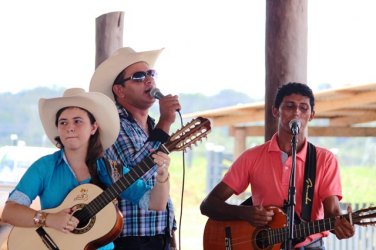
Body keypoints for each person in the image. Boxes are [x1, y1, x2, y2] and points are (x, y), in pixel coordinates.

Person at [1, 88, 172, 250]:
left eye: (78, 121)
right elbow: (9, 212)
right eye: (63, 122)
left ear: (93, 127)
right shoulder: (44, 167)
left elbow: (155, 203)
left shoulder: (109, 169)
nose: (70, 127)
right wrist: (50, 219)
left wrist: (162, 177)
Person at [200, 82, 355, 249]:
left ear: (311, 115)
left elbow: (332, 213)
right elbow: (208, 205)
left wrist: (342, 226)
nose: (297, 112)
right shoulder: (252, 157)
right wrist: (244, 213)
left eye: (303, 108)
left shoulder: (325, 160)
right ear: (275, 111)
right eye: (289, 106)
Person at [89, 47, 181, 250]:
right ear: (119, 90)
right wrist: (166, 121)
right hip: (129, 239)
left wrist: (170, 230)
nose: (149, 80)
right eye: (139, 76)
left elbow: (157, 177)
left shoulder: (152, 126)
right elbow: (136, 170)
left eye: (151, 74)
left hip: (160, 235)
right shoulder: (113, 125)